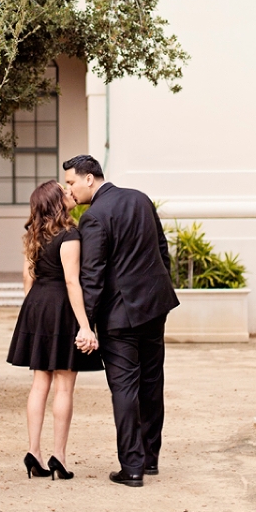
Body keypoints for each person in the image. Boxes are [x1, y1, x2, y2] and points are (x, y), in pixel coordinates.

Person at [64, 154, 179, 488]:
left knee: (124, 389)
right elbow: (162, 248)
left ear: (89, 178)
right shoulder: (140, 198)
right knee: (152, 381)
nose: (70, 190)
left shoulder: (94, 217)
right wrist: (159, 288)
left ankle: (132, 468)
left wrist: (86, 323)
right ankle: (150, 458)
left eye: (71, 182)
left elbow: (93, 277)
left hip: (119, 316)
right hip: (154, 308)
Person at [7, 179, 103, 481]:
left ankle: (33, 452)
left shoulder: (33, 234)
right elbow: (72, 281)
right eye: (64, 192)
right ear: (58, 202)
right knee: (63, 385)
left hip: (36, 306)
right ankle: (58, 456)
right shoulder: (69, 235)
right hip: (62, 307)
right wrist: (86, 326)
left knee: (39, 384)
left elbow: (27, 277)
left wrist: (33, 314)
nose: (69, 193)